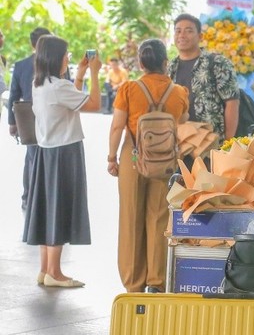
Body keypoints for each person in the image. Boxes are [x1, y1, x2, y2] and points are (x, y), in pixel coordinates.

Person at [107, 39, 189, 293]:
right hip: (163, 163)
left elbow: (118, 126)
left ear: (141, 63)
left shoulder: (129, 88)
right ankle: (156, 281)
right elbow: (182, 126)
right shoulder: (179, 92)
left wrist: (112, 158)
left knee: (131, 217)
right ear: (166, 63)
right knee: (158, 218)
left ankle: (133, 282)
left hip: (133, 159)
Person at [25, 35, 102, 288]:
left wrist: (79, 74)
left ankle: (45, 269)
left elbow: (72, 100)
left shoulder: (41, 84)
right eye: (66, 54)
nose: (69, 57)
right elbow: (93, 105)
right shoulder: (58, 87)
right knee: (60, 208)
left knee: (48, 208)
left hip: (47, 152)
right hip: (65, 153)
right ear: (56, 57)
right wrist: (94, 73)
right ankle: (56, 273)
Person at [167, 13, 239, 139]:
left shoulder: (217, 63)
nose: (182, 35)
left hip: (211, 143)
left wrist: (228, 141)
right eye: (178, 31)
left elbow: (232, 102)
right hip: (178, 143)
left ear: (200, 36)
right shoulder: (170, 67)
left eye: (188, 31)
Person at [7, 27, 51, 212]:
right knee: (49, 158)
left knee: (31, 157)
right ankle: (47, 198)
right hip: (51, 117)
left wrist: (12, 123)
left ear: (32, 43)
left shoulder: (21, 65)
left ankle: (28, 197)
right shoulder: (55, 64)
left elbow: (14, 96)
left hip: (28, 118)